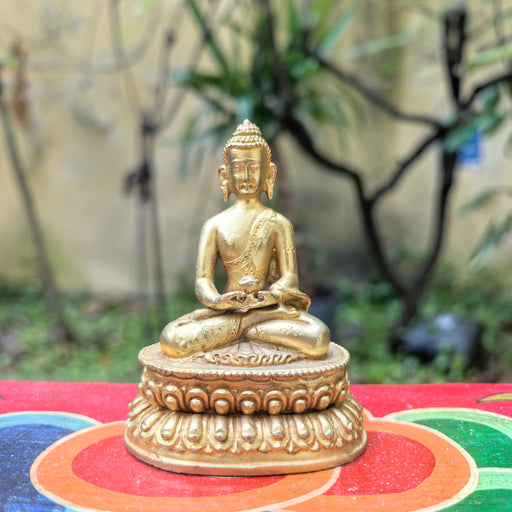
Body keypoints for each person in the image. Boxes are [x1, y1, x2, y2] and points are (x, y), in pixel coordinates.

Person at [160, 120, 329, 359]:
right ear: (225, 175)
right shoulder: (214, 225)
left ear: (269, 173)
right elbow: (203, 281)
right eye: (238, 168)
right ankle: (250, 326)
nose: (246, 176)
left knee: (318, 337)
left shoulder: (278, 223)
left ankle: (247, 327)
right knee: (172, 338)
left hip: (267, 310)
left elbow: (290, 277)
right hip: (229, 313)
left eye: (253, 167)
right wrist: (218, 301)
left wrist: (273, 295)